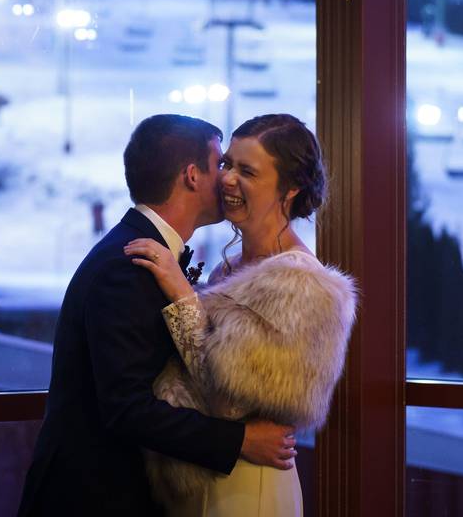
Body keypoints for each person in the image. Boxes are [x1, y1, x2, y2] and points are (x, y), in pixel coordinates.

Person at [17, 114, 297, 516]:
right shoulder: (128, 265)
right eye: (220, 165)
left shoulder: (144, 253)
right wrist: (238, 440)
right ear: (191, 176)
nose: (228, 179)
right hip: (92, 498)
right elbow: (126, 407)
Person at [124, 114, 357, 516]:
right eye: (227, 163)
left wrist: (180, 291)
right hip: (202, 478)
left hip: (250, 487)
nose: (227, 179)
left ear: (290, 189)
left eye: (246, 171)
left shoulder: (303, 284)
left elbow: (231, 400)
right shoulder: (228, 269)